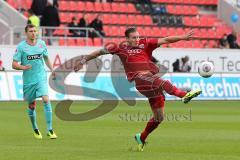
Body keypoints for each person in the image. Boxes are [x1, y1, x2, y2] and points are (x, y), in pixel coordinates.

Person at [74, 27, 202, 151]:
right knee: (163, 82)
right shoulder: (119, 47)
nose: (137, 39)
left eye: (138, 37)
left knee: (159, 117)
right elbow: (98, 52)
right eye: (134, 37)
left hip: (150, 82)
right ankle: (183, 95)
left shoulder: (144, 43)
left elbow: (166, 40)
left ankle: (141, 137)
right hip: (140, 80)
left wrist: (182, 37)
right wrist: (83, 60)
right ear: (127, 39)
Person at [12, 24, 57, 140]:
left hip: (41, 77)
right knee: (32, 106)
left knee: (46, 99)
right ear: (26, 33)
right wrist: (23, 67)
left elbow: (46, 58)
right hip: (29, 81)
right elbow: (14, 64)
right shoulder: (21, 47)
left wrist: (52, 70)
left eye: (35, 31)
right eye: (31, 31)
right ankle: (35, 129)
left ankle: (50, 130)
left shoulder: (42, 44)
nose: (34, 33)